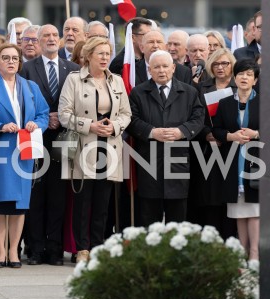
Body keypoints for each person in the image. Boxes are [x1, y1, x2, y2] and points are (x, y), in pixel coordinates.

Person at [0, 43, 49, 268]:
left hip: (23, 151)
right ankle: (0, 251)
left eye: (15, 58)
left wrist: (37, 123)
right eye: (6, 58)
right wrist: (1, 126)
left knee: (19, 205)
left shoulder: (30, 87)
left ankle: (14, 251)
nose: (11, 61)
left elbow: (43, 113)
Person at [58, 36, 131, 263]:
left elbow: (126, 114)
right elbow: (63, 115)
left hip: (109, 146)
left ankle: (98, 248)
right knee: (83, 203)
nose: (105, 58)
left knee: (102, 203)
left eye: (107, 54)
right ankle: (82, 249)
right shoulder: (74, 80)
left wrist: (114, 127)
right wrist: (90, 125)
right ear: (88, 56)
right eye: (100, 53)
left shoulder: (117, 81)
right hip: (83, 145)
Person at [20, 24, 80, 266]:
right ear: (39, 40)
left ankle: (54, 249)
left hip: (65, 138)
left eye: (55, 35)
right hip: (36, 138)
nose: (52, 39)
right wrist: (44, 119)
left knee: (58, 196)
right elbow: (21, 102)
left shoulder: (73, 69)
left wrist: (61, 117)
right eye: (46, 36)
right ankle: (35, 248)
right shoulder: (26, 69)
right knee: (36, 194)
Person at [127, 50, 204, 227]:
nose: (161, 70)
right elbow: (130, 120)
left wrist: (182, 131)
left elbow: (198, 118)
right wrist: (152, 132)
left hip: (178, 160)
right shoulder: (138, 93)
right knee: (149, 216)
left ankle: (175, 253)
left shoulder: (189, 92)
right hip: (149, 160)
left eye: (165, 66)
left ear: (173, 68)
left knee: (177, 218)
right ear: (149, 70)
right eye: (156, 67)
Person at [212, 59, 260, 261]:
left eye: (249, 74)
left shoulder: (265, 102)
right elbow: (217, 130)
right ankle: (242, 250)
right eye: (240, 73)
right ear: (235, 77)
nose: (244, 77)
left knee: (254, 209)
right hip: (232, 162)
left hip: (257, 161)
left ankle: (255, 254)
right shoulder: (225, 103)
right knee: (239, 209)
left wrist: (256, 134)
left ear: (255, 80)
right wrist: (231, 136)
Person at [189, 48, 237, 240]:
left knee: (230, 200)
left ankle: (231, 241)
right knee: (210, 199)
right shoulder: (202, 88)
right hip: (207, 151)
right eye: (216, 64)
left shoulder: (239, 87)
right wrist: (207, 134)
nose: (220, 68)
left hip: (233, 149)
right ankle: (211, 243)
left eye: (225, 63)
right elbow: (194, 117)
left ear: (232, 65)